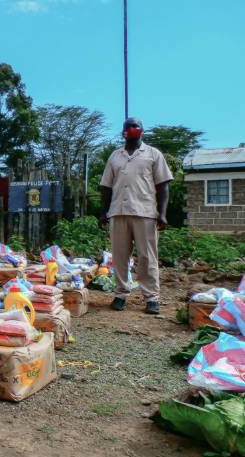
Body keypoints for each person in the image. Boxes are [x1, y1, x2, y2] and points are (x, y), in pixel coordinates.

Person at [99, 117, 172, 315]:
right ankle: (121, 293)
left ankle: (151, 298)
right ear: (122, 131)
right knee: (120, 256)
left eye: (135, 126)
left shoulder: (153, 154)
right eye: (127, 126)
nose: (131, 129)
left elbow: (163, 185)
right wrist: (103, 211)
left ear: (141, 130)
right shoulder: (115, 156)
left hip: (145, 212)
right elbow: (106, 187)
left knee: (147, 257)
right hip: (118, 212)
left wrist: (162, 213)